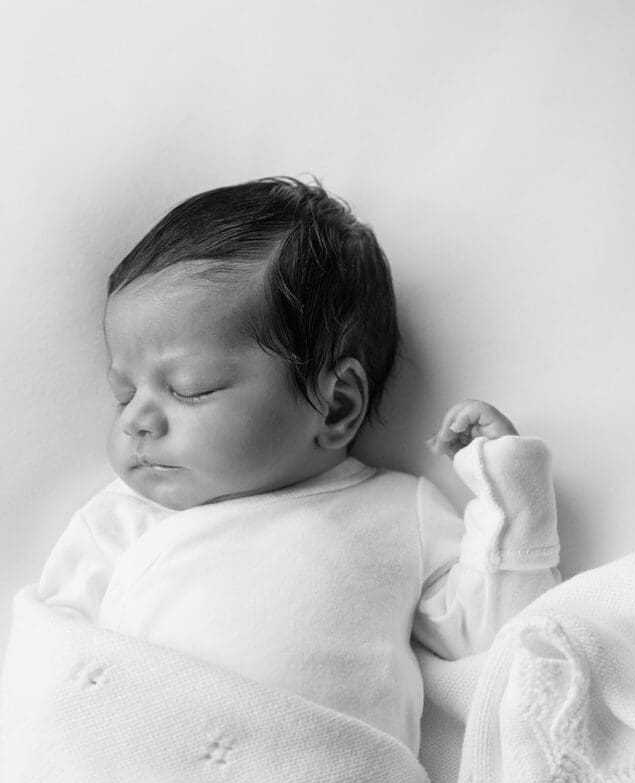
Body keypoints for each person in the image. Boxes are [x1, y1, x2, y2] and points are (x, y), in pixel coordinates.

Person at [37, 176, 560, 752]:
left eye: (189, 388)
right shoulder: (120, 520)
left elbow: (501, 642)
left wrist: (509, 491)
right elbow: (55, 676)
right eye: (123, 393)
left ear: (335, 405)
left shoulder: (397, 511)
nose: (137, 420)